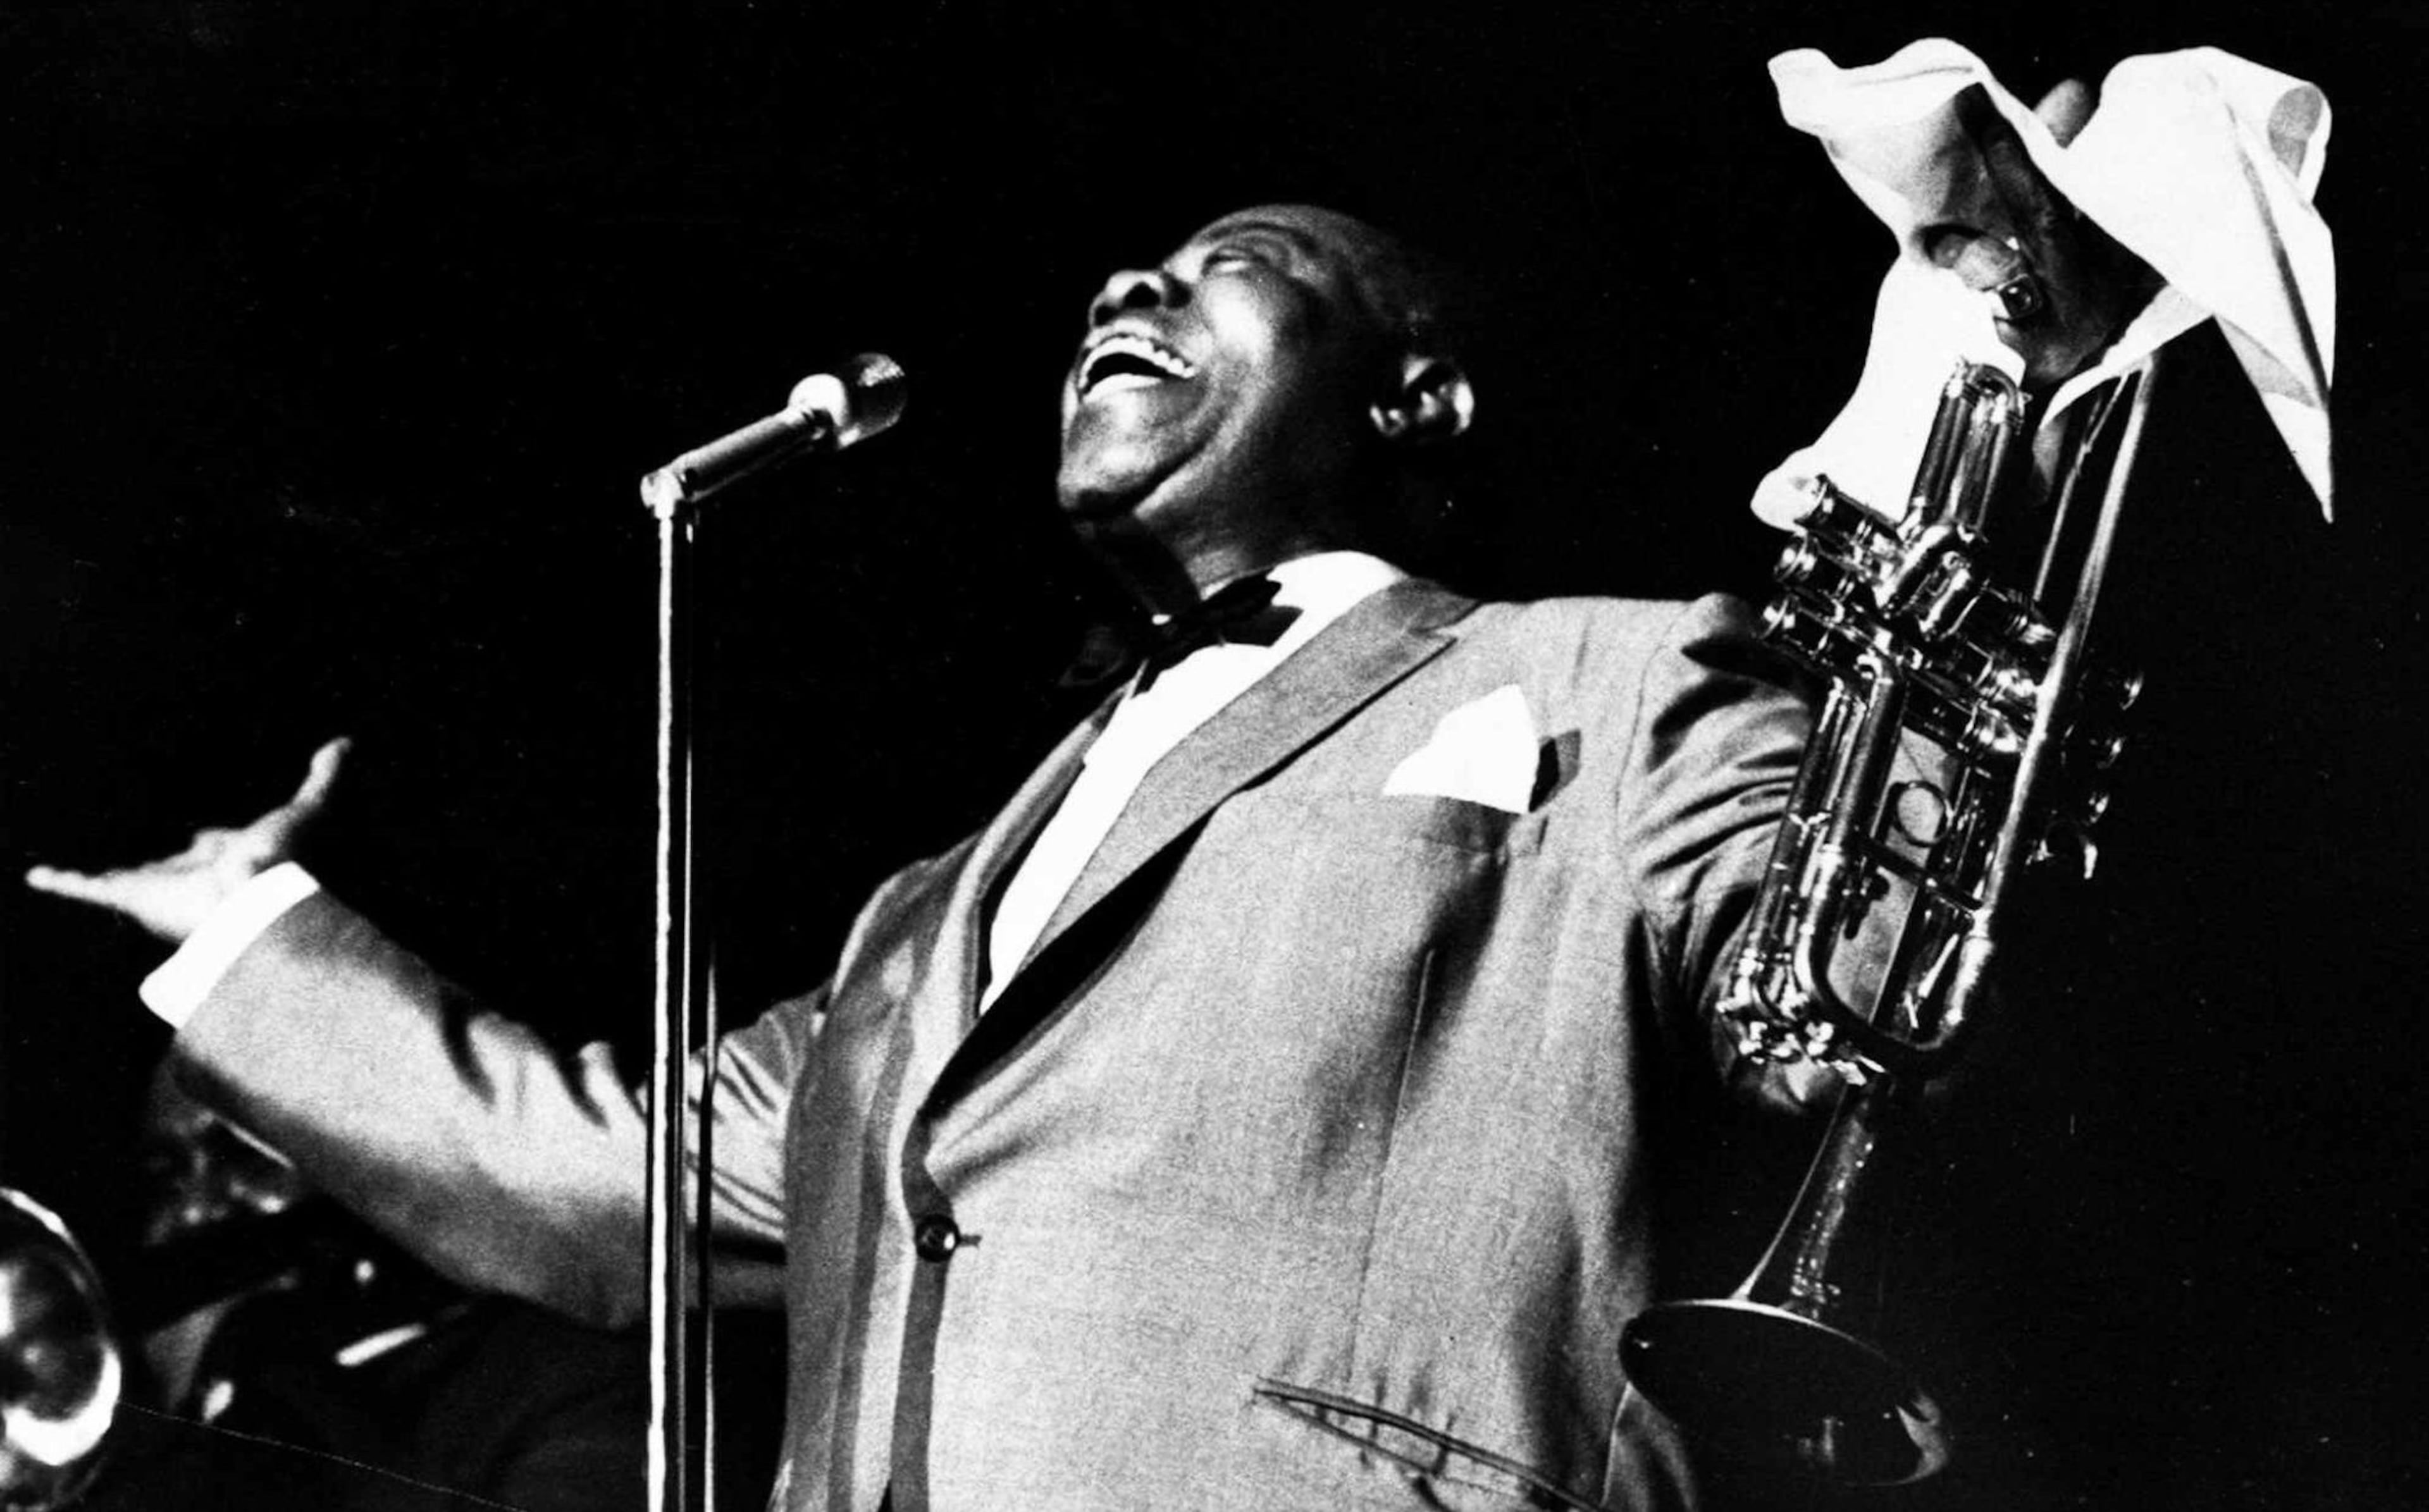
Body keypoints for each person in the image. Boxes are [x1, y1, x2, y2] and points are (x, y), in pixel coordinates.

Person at [25, 106, 2160, 1508]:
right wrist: (244, 933)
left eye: (1233, 263)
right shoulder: (927, 919)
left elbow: (1866, 979)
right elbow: (598, 1179)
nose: (1119, 293)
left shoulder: (1589, 673)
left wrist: (1995, 418)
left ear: (1413, 399)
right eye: (1106, 284)